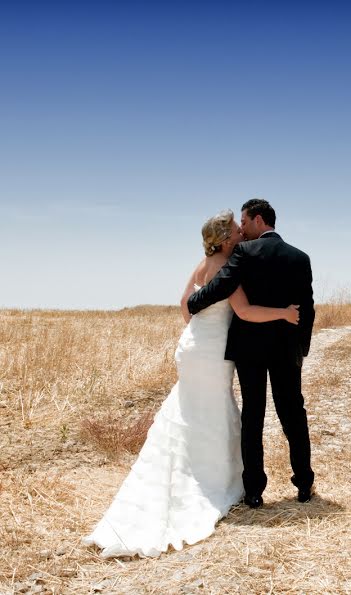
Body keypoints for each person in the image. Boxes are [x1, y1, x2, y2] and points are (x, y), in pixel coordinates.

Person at [83, 210, 300, 558]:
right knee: (212, 413)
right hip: (213, 352)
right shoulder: (230, 268)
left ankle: (195, 475)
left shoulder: (201, 265)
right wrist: (284, 313)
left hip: (192, 346)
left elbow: (185, 306)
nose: (241, 232)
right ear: (227, 238)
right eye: (235, 229)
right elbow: (244, 312)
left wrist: (201, 327)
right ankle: (212, 483)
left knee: (188, 412)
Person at [188, 199, 315, 508]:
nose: (241, 228)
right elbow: (308, 307)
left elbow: (220, 286)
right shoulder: (300, 257)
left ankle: (255, 491)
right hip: (287, 349)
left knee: (253, 416)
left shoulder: (244, 252)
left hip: (250, 349)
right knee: (293, 414)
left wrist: (194, 303)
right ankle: (304, 483)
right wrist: (302, 347)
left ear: (258, 219)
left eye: (244, 221)